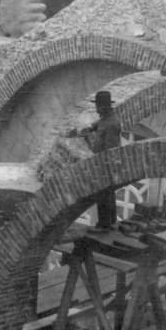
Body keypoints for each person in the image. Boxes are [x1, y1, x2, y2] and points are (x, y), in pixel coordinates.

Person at [67, 90, 123, 231]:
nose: (96, 109)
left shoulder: (112, 124)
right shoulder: (105, 119)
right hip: (101, 162)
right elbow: (96, 125)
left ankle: (104, 225)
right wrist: (86, 130)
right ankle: (110, 222)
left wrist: (102, 164)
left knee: (105, 193)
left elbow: (111, 149)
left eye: (98, 106)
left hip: (105, 163)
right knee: (107, 193)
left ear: (104, 107)